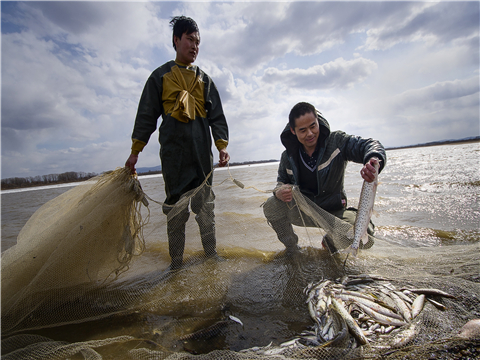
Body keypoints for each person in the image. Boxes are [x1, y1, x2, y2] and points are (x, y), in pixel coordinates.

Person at [125, 16, 230, 270]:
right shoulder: (159, 76)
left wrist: (221, 145)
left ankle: (211, 257)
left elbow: (216, 116)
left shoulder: (204, 79)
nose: (194, 46)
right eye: (189, 40)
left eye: (198, 42)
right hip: (174, 154)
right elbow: (146, 116)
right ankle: (176, 264)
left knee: (206, 209)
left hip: (201, 154)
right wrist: (135, 152)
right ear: (176, 40)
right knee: (175, 212)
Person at [263, 102, 386, 255]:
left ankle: (330, 243)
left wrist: (373, 158)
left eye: (313, 126)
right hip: (303, 212)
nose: (310, 133)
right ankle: (292, 250)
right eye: (302, 130)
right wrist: (279, 191)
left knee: (362, 235)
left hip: (333, 211)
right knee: (271, 205)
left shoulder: (337, 141)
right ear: (293, 131)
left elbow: (370, 145)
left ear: (318, 121)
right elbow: (280, 182)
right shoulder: (287, 156)